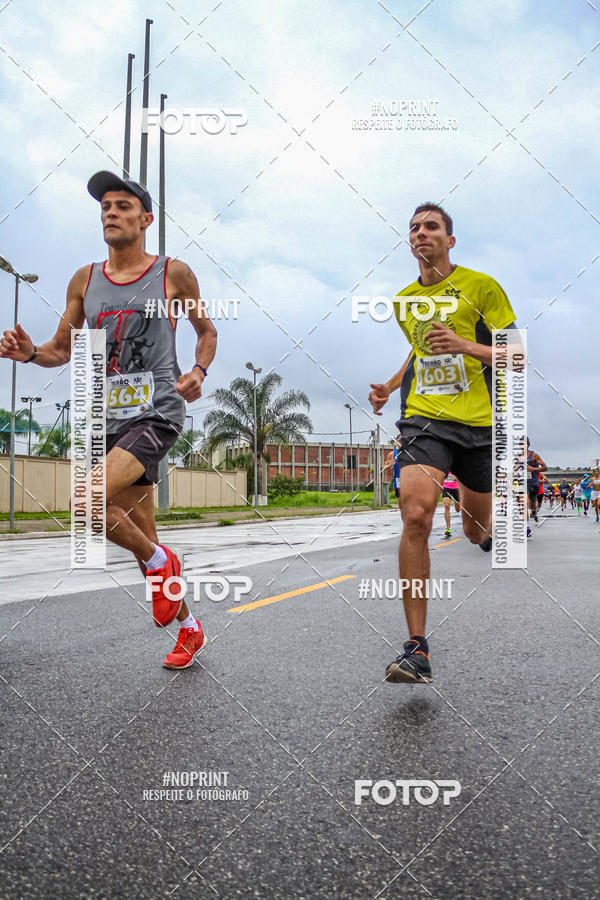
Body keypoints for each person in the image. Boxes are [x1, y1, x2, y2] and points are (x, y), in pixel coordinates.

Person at [0, 171, 218, 669]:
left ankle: (164, 566)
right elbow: (61, 349)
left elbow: (206, 330)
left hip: (156, 412)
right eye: (105, 207)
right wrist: (30, 353)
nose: (111, 213)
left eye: (122, 205)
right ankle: (188, 625)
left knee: (84, 502)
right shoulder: (85, 279)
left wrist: (199, 371)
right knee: (140, 538)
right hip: (106, 419)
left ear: (145, 219)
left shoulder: (172, 273)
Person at [368, 202, 517, 684]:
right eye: (413, 228)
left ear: (450, 240)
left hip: (480, 426)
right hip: (424, 421)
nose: (420, 233)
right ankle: (416, 648)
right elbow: (418, 352)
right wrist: (391, 388)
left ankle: (484, 532)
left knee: (474, 529)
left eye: (431, 226)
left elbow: (515, 355)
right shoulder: (403, 300)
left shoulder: (482, 287)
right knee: (416, 514)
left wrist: (467, 346)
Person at [526, 438, 546, 537]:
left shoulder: (533, 455)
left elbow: (545, 467)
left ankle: (533, 511)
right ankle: (527, 528)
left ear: (528, 445)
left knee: (532, 506)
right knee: (524, 504)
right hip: (522, 484)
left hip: (533, 484)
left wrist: (532, 469)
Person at [383, 436, 402, 510]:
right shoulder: (392, 454)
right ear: (397, 441)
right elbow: (383, 469)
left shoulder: (410, 453)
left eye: (403, 440)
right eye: (400, 440)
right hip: (398, 480)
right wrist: (389, 465)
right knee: (400, 504)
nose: (401, 442)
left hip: (409, 480)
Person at [441, 471, 460, 538]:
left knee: (458, 509)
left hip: (456, 488)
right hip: (446, 488)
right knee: (446, 505)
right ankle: (448, 529)